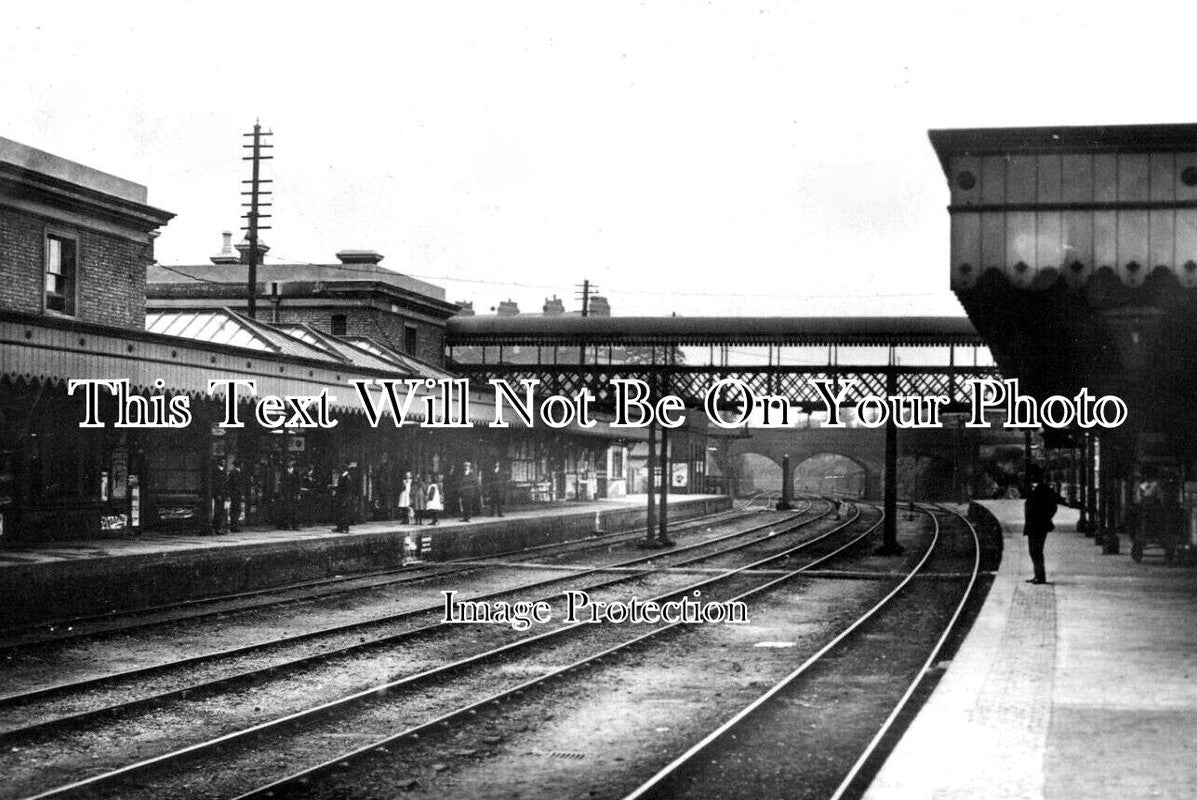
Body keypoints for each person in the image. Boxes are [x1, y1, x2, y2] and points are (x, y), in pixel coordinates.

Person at [1024, 464, 1058, 584]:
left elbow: (1053, 506)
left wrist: (1045, 518)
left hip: (1038, 526)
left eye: (1032, 475)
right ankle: (1037, 575)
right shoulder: (1036, 488)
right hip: (1033, 525)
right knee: (1034, 551)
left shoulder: (1043, 489)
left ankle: (1041, 577)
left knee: (1036, 551)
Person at [278, 458, 302, 530]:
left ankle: (295, 525)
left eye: (290, 462)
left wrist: (298, 493)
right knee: (287, 509)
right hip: (286, 493)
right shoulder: (284, 472)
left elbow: (298, 483)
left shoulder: (296, 471)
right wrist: (281, 493)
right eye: (288, 462)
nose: (289, 463)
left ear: (293, 463)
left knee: (295, 509)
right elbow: (281, 483)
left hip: (294, 493)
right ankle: (287, 524)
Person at [333, 462, 355, 533]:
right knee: (341, 513)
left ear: (342, 469)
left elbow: (347, 489)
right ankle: (341, 527)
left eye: (340, 469)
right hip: (342, 497)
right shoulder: (343, 476)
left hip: (344, 498)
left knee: (343, 513)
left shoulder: (346, 477)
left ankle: (344, 527)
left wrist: (345, 499)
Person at [210, 459, 229, 534]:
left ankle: (221, 527)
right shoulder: (217, 471)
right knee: (218, 511)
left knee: (222, 510)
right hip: (219, 494)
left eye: (225, 462)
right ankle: (217, 528)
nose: (224, 463)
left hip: (223, 493)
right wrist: (218, 494)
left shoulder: (223, 471)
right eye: (223, 462)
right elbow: (217, 484)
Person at [227, 459, 245, 533]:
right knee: (236, 510)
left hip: (235, 494)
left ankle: (234, 525)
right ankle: (234, 526)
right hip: (236, 494)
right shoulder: (235, 473)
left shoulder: (234, 472)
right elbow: (235, 484)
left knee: (235, 510)